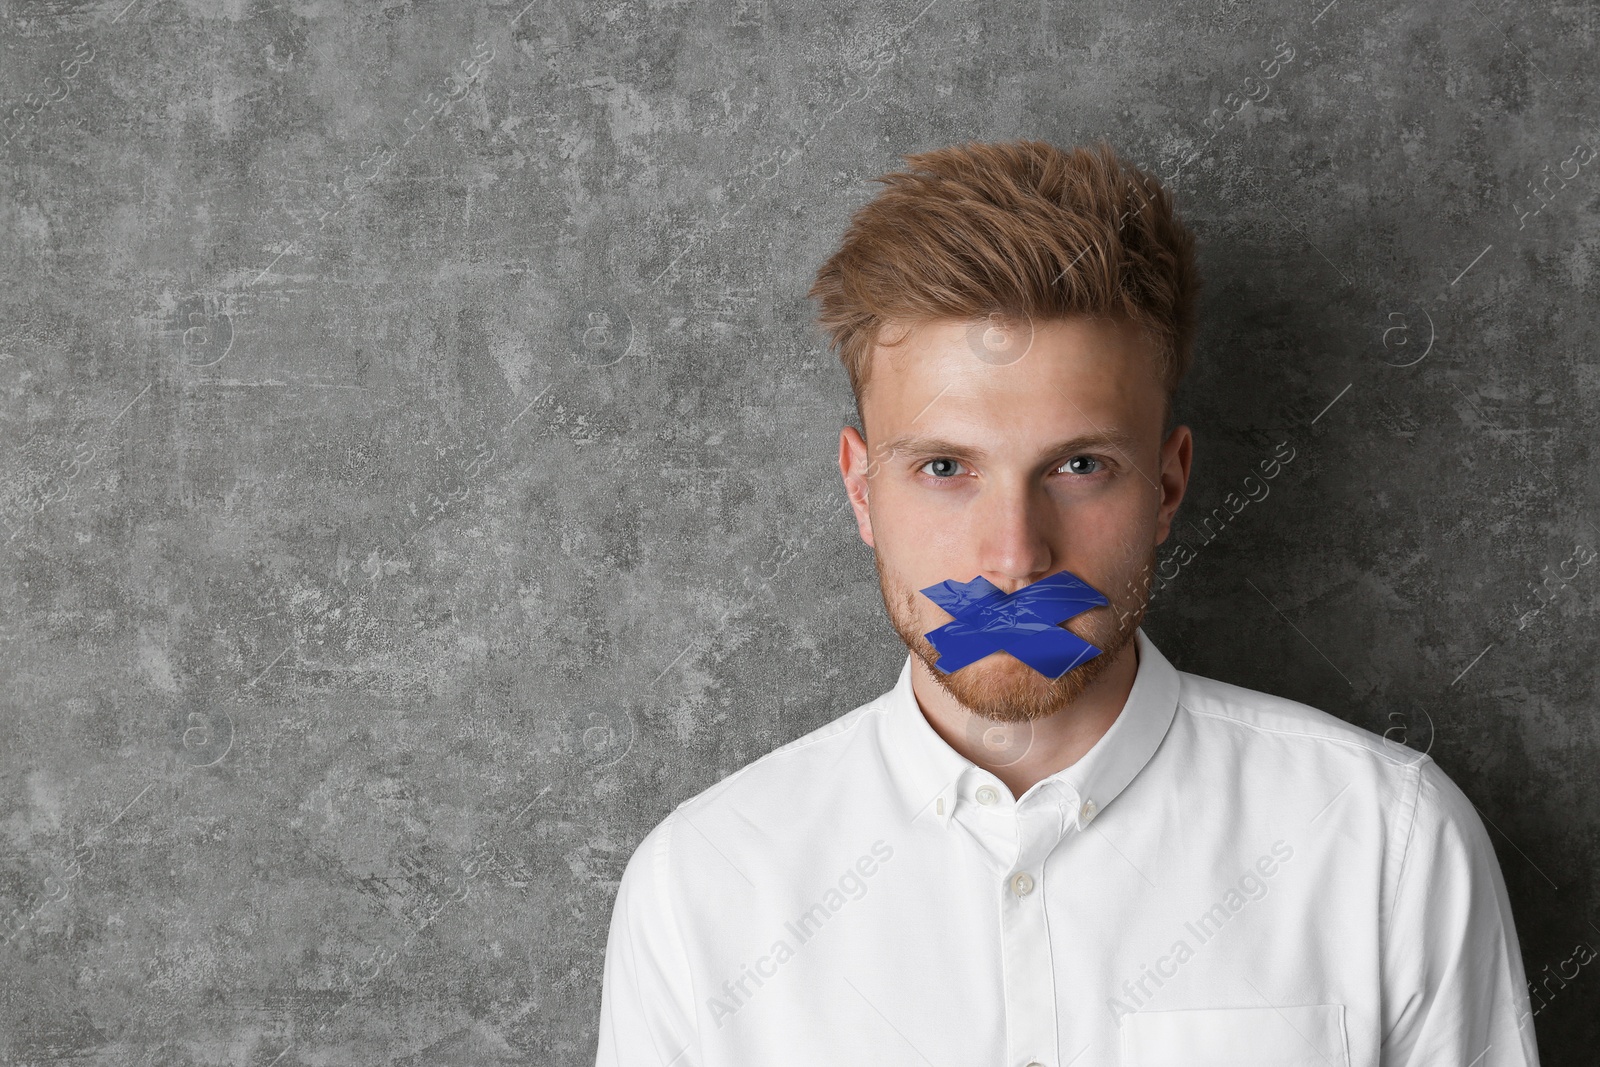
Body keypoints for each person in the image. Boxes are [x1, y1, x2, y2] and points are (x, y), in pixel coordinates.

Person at [594, 139, 1541, 1066]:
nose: (1015, 557)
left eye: (1080, 466)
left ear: (1167, 486)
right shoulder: (701, 890)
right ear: (860, 491)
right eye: (944, 467)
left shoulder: (1385, 845)